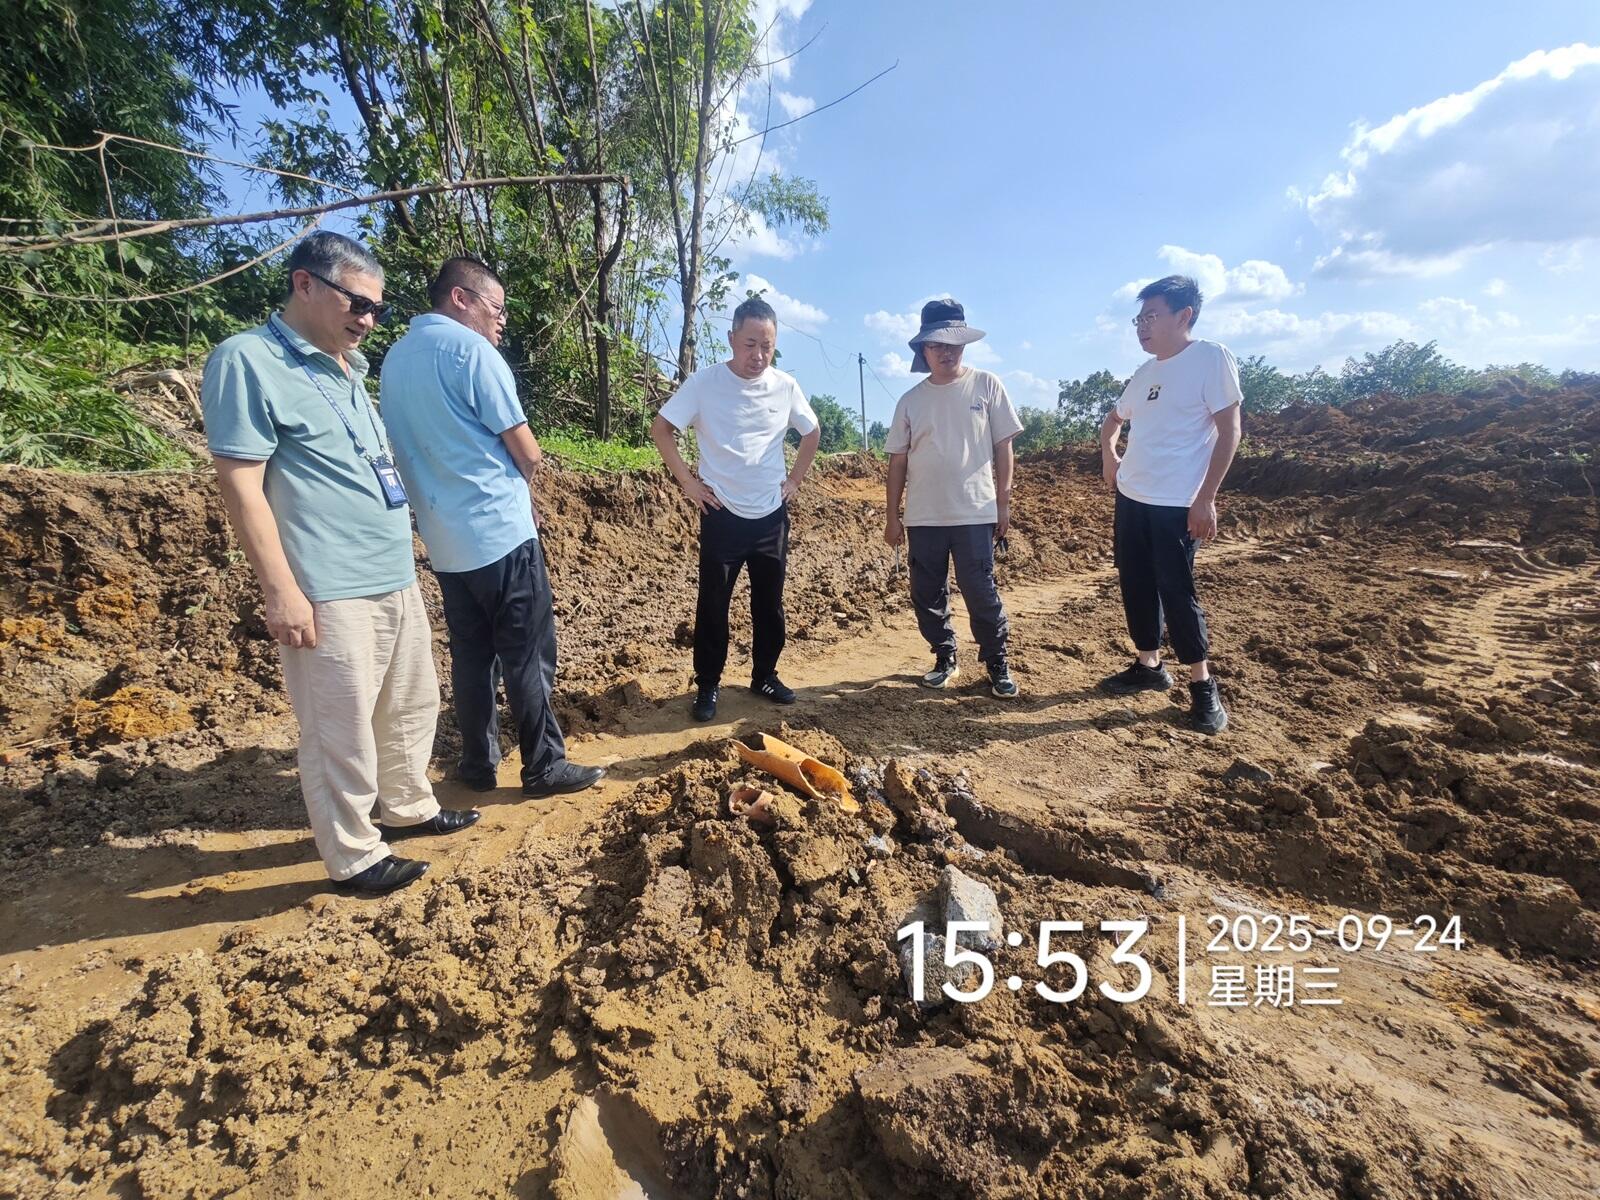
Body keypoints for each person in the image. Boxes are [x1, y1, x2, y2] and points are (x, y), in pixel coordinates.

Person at [201, 232, 478, 897]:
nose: (367, 319)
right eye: (356, 302)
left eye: (376, 309)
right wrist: (282, 591)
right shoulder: (248, 361)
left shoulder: (347, 367)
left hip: (390, 572)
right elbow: (240, 484)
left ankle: (408, 807)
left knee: (411, 705)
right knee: (340, 728)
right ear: (303, 284)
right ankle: (353, 854)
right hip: (326, 585)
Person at [381, 257, 605, 799]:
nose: (501, 321)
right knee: (527, 651)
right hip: (499, 532)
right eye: (496, 308)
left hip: (444, 540)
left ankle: (478, 763)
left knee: (472, 655)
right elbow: (525, 451)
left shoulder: (393, 358)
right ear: (461, 299)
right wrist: (525, 488)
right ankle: (543, 765)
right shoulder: (471, 352)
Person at [650, 296, 821, 722]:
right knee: (713, 604)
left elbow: (811, 431)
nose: (758, 355)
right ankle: (707, 685)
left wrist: (794, 481)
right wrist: (689, 483)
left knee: (770, 603)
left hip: (770, 516)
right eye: (749, 344)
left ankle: (764, 674)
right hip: (721, 512)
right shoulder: (704, 383)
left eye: (766, 346)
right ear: (731, 339)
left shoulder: (785, 386)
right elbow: (662, 429)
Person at [1098, 274, 1242, 734]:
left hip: (1176, 504)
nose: (1142, 326)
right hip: (1132, 497)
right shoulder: (1145, 374)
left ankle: (1203, 688)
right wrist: (1110, 454)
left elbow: (1230, 431)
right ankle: (1149, 665)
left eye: (1151, 316)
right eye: (1138, 318)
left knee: (1176, 591)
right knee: (1135, 582)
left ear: (1185, 316)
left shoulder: (1210, 359)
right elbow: (1112, 421)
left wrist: (1207, 498)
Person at [884, 299, 1022, 698]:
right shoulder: (910, 401)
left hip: (975, 511)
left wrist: (1004, 502)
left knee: (980, 589)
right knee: (926, 591)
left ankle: (996, 661)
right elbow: (897, 463)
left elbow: (1003, 448)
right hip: (924, 515)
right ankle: (945, 655)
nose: (946, 352)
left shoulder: (986, 386)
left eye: (954, 344)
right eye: (937, 345)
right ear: (923, 349)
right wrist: (893, 516)